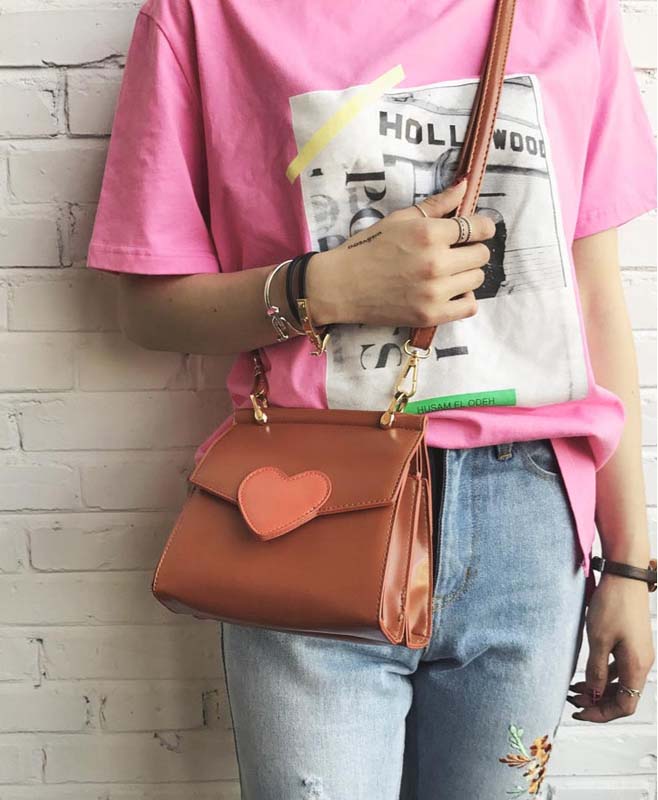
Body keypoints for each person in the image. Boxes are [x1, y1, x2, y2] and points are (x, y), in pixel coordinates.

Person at [85, 0, 657, 796]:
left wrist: (628, 564)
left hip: (530, 530)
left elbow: (593, 302)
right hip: (307, 514)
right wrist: (324, 288)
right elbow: (147, 308)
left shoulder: (570, 11)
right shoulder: (205, 17)